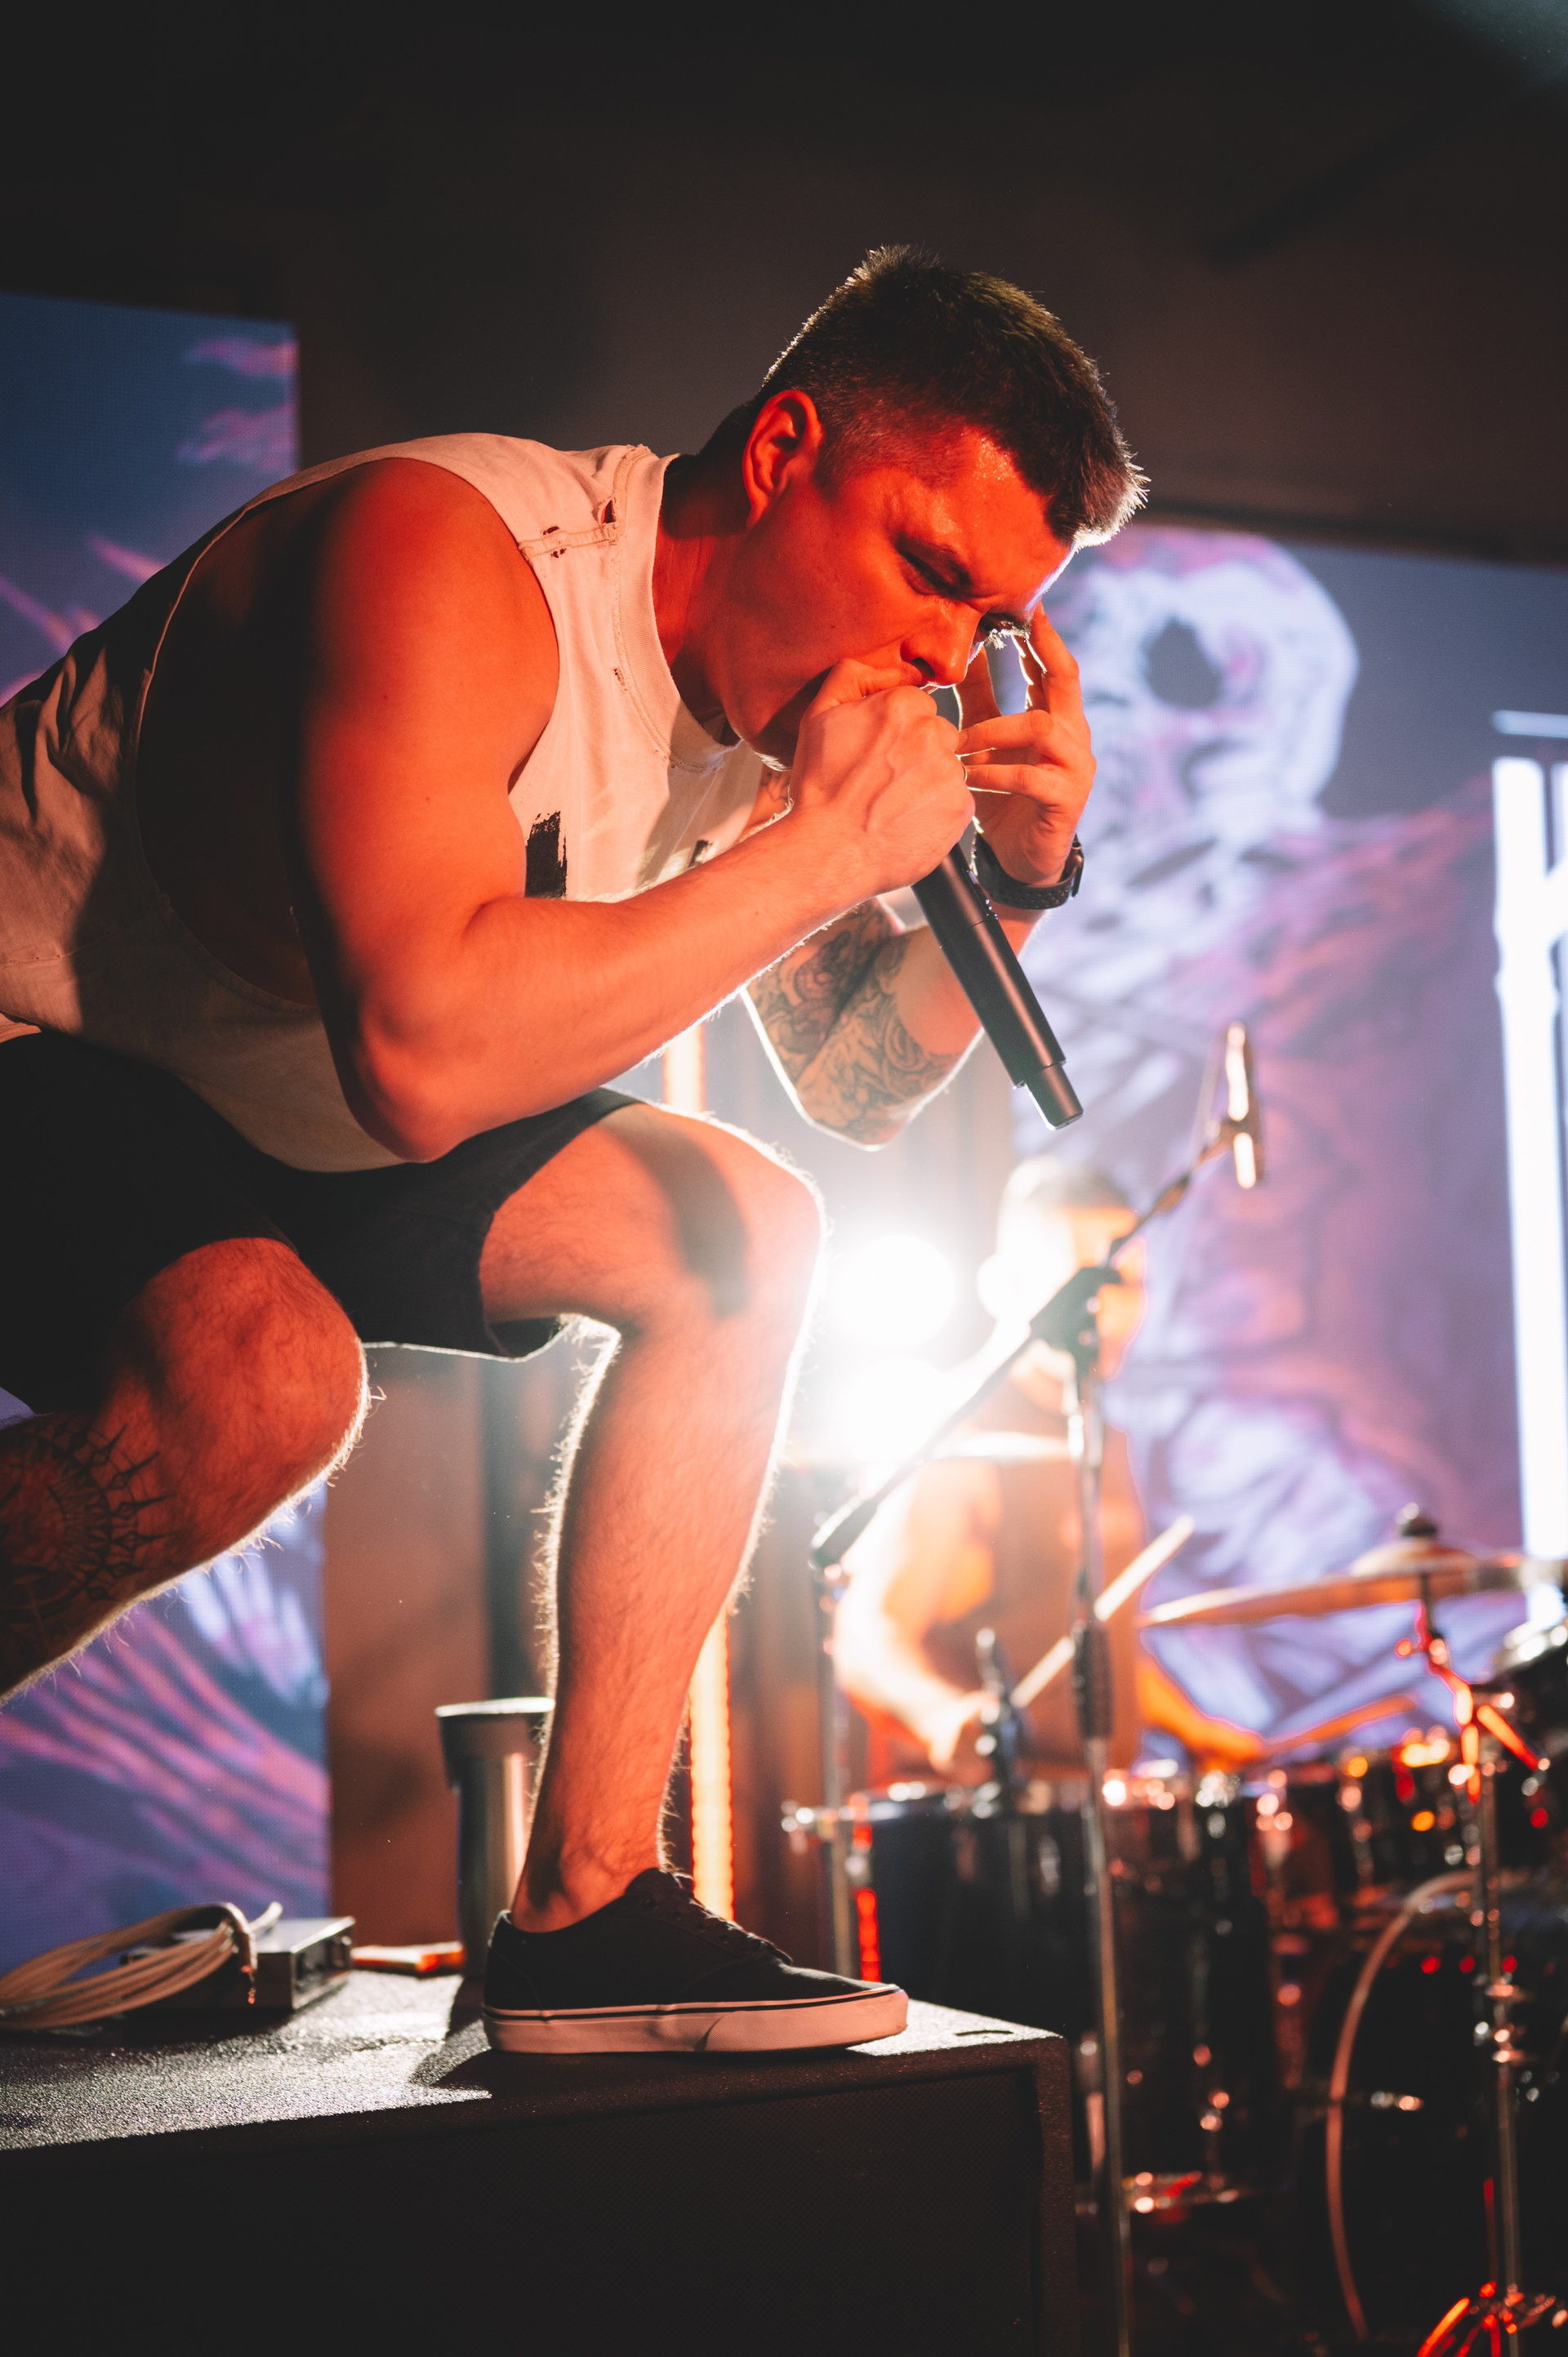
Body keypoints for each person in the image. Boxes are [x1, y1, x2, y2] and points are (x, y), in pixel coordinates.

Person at [0, 248, 1143, 2052]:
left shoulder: (771, 719)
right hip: (47, 1021)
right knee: (263, 1387)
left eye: (990, 617)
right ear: (781, 452)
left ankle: (585, 1911)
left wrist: (1011, 881)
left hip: (279, 1080)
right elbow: (422, 1063)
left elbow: (852, 1082)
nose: (945, 655)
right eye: (930, 568)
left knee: (745, 1237)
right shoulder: (448, 559)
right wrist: (828, 852)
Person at [835, 1159, 1261, 1781]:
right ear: (1004, 1287)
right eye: (1080, 1283)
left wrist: (1195, 1728)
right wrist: (943, 1715)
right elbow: (869, 1635)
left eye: (1127, 1283)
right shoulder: (963, 1443)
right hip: (994, 1818)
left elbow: (1084, 1648)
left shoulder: (1095, 1433)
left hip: (1091, 1802)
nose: (1105, 1309)